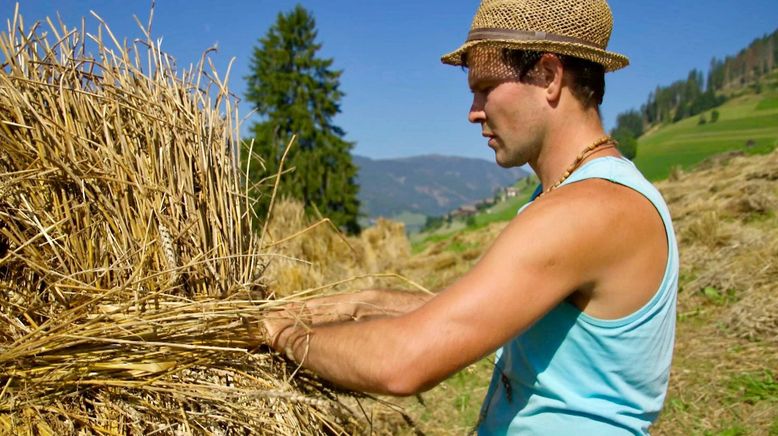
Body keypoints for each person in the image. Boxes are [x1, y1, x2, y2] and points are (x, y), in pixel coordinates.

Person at [261, 0, 679, 434]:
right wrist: (365, 303)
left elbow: (404, 362)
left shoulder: (587, 210)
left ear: (550, 76)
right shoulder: (577, 197)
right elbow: (480, 314)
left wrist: (279, 333)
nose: (473, 111)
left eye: (485, 87)